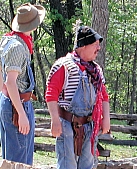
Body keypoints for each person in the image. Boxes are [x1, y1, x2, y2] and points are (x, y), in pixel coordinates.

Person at [45, 24, 110, 169]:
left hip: (89, 125)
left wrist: (106, 119)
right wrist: (55, 120)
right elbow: (51, 94)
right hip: (67, 125)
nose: (98, 49)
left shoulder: (96, 71)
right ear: (83, 46)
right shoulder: (64, 66)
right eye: (94, 44)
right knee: (68, 165)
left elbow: (104, 96)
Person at [0, 3, 45, 165]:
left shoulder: (8, 40)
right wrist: (21, 113)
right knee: (20, 162)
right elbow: (10, 82)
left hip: (10, 101)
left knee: (10, 161)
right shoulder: (18, 47)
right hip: (17, 104)